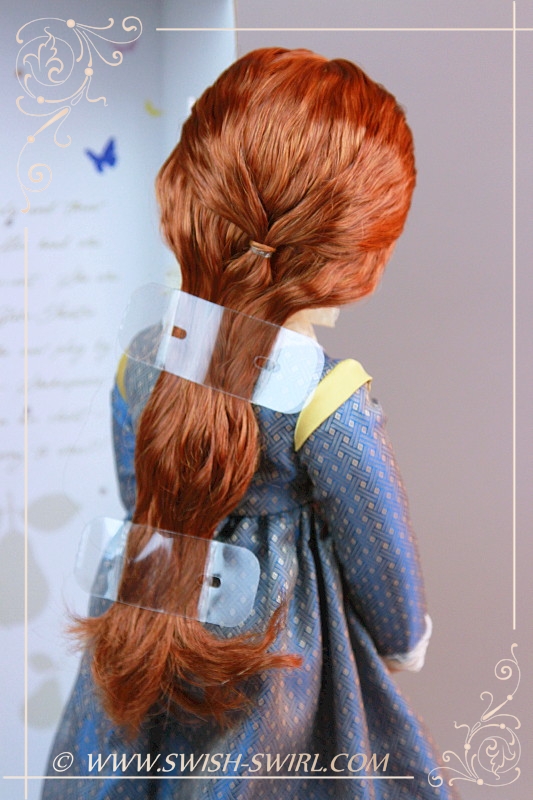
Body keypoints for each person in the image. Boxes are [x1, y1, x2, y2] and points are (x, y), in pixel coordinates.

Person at [43, 47, 460, 800]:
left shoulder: (144, 361)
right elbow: (380, 550)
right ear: (348, 253)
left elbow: (144, 502)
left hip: (155, 611)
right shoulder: (326, 403)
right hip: (282, 659)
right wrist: (403, 639)